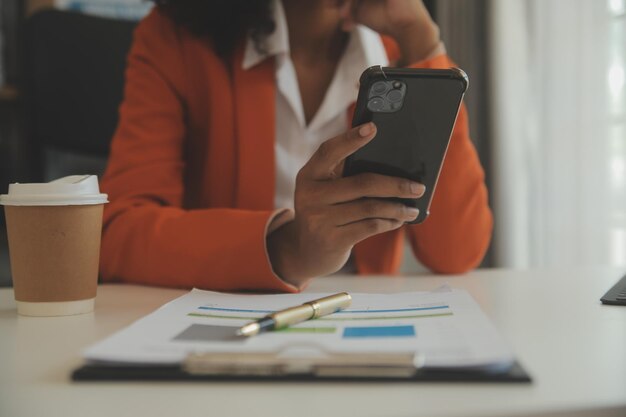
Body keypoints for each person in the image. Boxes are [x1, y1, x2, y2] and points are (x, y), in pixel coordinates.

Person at [99, 0, 492, 292]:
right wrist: (287, 249)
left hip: (364, 323)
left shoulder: (398, 49)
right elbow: (118, 233)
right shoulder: (176, 38)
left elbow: (456, 252)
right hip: (231, 316)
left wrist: (421, 42)